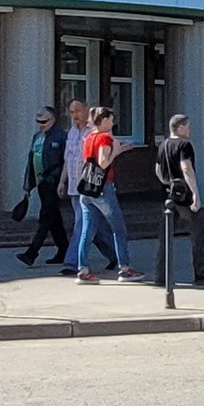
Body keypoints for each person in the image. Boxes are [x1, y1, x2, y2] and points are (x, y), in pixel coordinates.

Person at [75, 106, 144, 284]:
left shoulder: (88, 137)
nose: (113, 122)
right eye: (111, 119)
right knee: (118, 228)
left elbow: (90, 161)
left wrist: (120, 150)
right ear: (104, 120)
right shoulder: (105, 138)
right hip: (104, 188)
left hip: (87, 188)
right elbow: (104, 162)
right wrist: (115, 149)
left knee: (87, 230)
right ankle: (125, 269)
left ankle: (83, 270)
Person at [154, 114, 204, 286]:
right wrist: (196, 195)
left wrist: (167, 183)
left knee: (165, 237)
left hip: (168, 196)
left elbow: (157, 169)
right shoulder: (184, 145)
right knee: (197, 233)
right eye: (187, 126)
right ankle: (200, 272)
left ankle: (161, 276)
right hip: (184, 196)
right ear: (180, 128)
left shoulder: (163, 145)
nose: (190, 129)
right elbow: (186, 168)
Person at [59, 99, 117, 276]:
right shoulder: (71, 133)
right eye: (71, 112)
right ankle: (114, 255)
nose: (74, 115)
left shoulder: (95, 131)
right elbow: (68, 159)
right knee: (92, 225)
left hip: (92, 185)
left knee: (81, 224)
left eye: (77, 110)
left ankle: (71, 262)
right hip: (75, 185)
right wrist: (62, 181)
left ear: (86, 110)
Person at [16, 106, 68, 267]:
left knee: (45, 217)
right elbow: (32, 161)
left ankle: (31, 253)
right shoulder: (37, 137)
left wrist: (62, 181)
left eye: (44, 121)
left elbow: (66, 161)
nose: (40, 125)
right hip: (41, 183)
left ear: (52, 120)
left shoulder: (61, 137)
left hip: (53, 181)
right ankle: (64, 249)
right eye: (38, 122)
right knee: (54, 219)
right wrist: (28, 185)